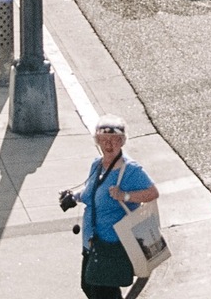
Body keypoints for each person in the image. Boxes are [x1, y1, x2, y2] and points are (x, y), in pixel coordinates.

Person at [60, 117, 158, 299]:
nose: (109, 144)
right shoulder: (97, 164)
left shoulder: (130, 170)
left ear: (122, 141)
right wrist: (74, 197)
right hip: (92, 242)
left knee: (102, 292)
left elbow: (152, 193)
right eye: (103, 140)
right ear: (97, 141)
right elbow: (92, 191)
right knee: (88, 286)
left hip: (111, 245)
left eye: (114, 139)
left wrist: (125, 196)